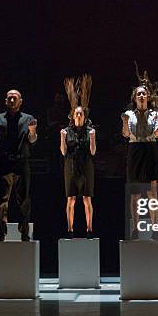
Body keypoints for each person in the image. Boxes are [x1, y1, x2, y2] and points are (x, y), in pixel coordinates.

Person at [121, 65, 158, 240]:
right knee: (135, 194)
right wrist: (125, 123)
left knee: (152, 193)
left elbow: (156, 134)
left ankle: (155, 228)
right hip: (135, 150)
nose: (141, 95)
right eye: (138, 93)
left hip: (149, 150)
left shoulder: (155, 114)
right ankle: (136, 228)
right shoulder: (128, 114)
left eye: (144, 93)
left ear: (148, 96)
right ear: (135, 97)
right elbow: (126, 134)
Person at [0, 89, 37, 241]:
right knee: (2, 200)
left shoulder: (28, 118)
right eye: (9, 98)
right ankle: (1, 232)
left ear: (20, 101)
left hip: (21, 162)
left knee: (24, 199)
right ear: (5, 101)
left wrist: (33, 131)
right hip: (4, 163)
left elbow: (32, 140)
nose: (12, 100)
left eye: (15, 98)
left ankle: (25, 232)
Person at [60, 74, 96, 239]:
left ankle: (89, 229)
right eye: (77, 114)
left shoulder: (90, 131)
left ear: (84, 116)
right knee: (71, 199)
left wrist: (94, 137)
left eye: (81, 114)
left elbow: (93, 152)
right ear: (73, 117)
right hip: (71, 164)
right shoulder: (67, 132)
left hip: (86, 164)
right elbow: (63, 151)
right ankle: (70, 229)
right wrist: (61, 138)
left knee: (87, 199)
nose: (79, 116)